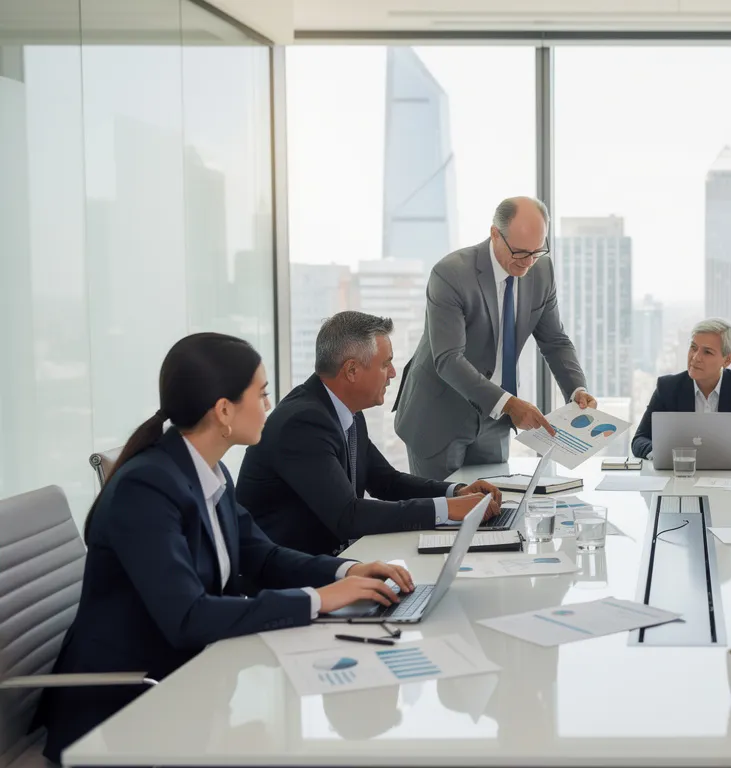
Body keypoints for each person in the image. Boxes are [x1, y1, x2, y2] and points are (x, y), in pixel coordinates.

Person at [33, 333, 415, 763]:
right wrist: (317, 600)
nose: (269, 406)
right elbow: (188, 616)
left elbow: (263, 556)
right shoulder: (146, 487)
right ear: (224, 411)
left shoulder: (207, 472)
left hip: (190, 679)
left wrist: (345, 573)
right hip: (124, 706)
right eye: (262, 394)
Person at [238, 312, 501, 557]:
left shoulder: (344, 410)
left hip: (333, 561)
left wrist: (455, 492)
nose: (394, 373)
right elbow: (348, 516)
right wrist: (446, 510)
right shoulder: (302, 423)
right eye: (386, 364)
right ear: (352, 370)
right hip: (291, 578)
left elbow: (386, 482)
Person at [393, 196, 595, 479]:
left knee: (495, 510)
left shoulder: (542, 271)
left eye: (537, 251)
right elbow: (449, 359)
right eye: (520, 252)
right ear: (494, 234)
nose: (528, 262)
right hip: (439, 415)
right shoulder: (451, 273)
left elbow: (555, 341)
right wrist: (510, 404)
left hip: (495, 418)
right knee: (443, 514)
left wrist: (577, 391)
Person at [631, 318, 731, 462]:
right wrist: (661, 453)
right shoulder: (667, 387)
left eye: (707, 352)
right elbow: (640, 439)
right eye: (693, 348)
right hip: (680, 477)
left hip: (730, 480)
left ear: (727, 359)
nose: (695, 357)